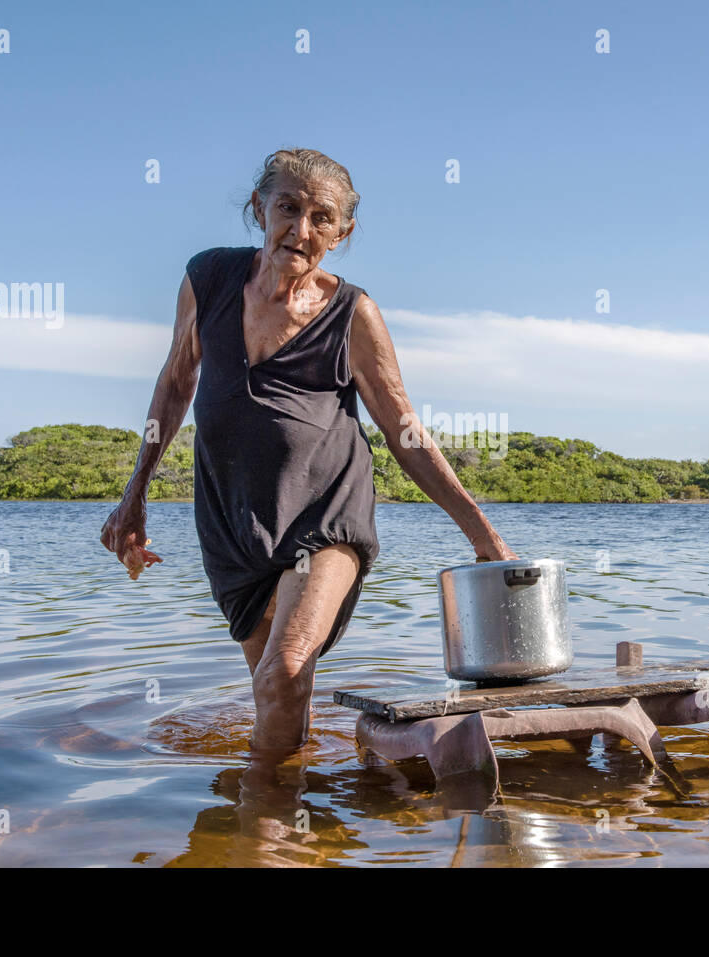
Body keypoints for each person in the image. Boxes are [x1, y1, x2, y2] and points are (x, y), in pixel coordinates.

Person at [101, 148, 517, 754]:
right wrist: (133, 496)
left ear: (342, 232)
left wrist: (481, 533)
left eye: (321, 218)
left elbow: (403, 428)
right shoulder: (208, 279)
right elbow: (174, 382)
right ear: (258, 208)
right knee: (277, 695)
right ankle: (292, 821)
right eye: (287, 208)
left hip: (326, 516)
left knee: (285, 671)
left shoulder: (353, 313)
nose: (300, 229)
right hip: (231, 520)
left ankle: (264, 834)